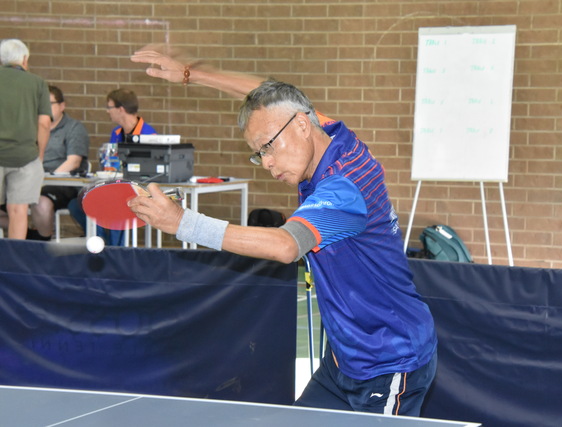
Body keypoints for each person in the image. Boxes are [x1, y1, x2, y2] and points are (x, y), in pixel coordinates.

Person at [128, 51, 438, 416]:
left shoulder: (344, 187)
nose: (267, 163)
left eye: (269, 147)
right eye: (259, 154)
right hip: (344, 361)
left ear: (302, 126)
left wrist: (184, 223)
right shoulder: (328, 134)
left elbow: (286, 245)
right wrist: (190, 74)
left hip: (389, 361)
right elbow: (270, 97)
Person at [68, 88, 157, 245]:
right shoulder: (116, 132)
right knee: (77, 205)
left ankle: (115, 250)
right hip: (115, 187)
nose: (107, 111)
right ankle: (102, 243)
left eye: (109, 107)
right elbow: (110, 164)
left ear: (120, 109)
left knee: (116, 207)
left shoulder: (149, 134)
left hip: (136, 190)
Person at [18, 85, 89, 241]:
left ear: (62, 106)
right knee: (9, 203)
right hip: (29, 181)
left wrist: (45, 178)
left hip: (62, 184)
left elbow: (73, 162)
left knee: (40, 202)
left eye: (48, 103)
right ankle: (31, 236)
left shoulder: (74, 128)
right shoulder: (31, 128)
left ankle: (42, 243)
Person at [0, 39, 51, 239]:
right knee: (18, 210)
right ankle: (14, 256)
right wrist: (39, 155)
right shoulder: (37, 83)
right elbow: (44, 124)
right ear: (24, 59)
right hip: (25, 156)